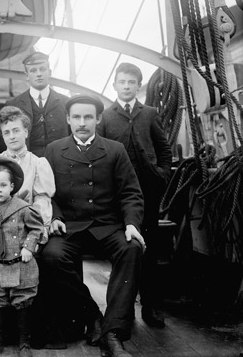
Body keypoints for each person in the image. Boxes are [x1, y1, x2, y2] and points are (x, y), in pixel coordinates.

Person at [39, 94, 145, 357]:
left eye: (88, 117)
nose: (82, 123)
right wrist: (54, 218)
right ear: (68, 119)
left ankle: (112, 333)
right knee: (51, 256)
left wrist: (132, 224)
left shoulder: (114, 149)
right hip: (70, 225)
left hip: (107, 225)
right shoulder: (54, 150)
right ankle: (93, 314)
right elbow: (45, 194)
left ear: (98, 119)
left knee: (130, 249)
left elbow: (131, 193)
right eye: (76, 117)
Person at [97, 62, 172, 329]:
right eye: (122, 82)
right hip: (119, 197)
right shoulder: (105, 117)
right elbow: (101, 155)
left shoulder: (149, 113)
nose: (126, 87)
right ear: (114, 85)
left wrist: (161, 174)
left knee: (150, 251)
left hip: (148, 193)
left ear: (137, 86)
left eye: (131, 83)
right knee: (127, 250)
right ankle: (124, 311)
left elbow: (164, 149)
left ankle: (151, 307)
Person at [0, 154, 44, 357]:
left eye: (3, 185)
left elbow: (37, 228)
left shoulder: (22, 208)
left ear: (11, 186)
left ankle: (24, 344)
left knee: (22, 301)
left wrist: (28, 247)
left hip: (21, 263)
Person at [0, 106, 55, 243]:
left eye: (16, 131)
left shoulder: (38, 164)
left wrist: (35, 232)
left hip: (29, 227)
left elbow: (42, 201)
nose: (12, 137)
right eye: (6, 133)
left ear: (26, 132)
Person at [5, 51, 69, 157]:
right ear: (27, 75)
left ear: (49, 72)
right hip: (27, 165)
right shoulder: (13, 105)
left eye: (42, 69)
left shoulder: (66, 102)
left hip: (60, 163)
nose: (38, 74)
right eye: (33, 70)